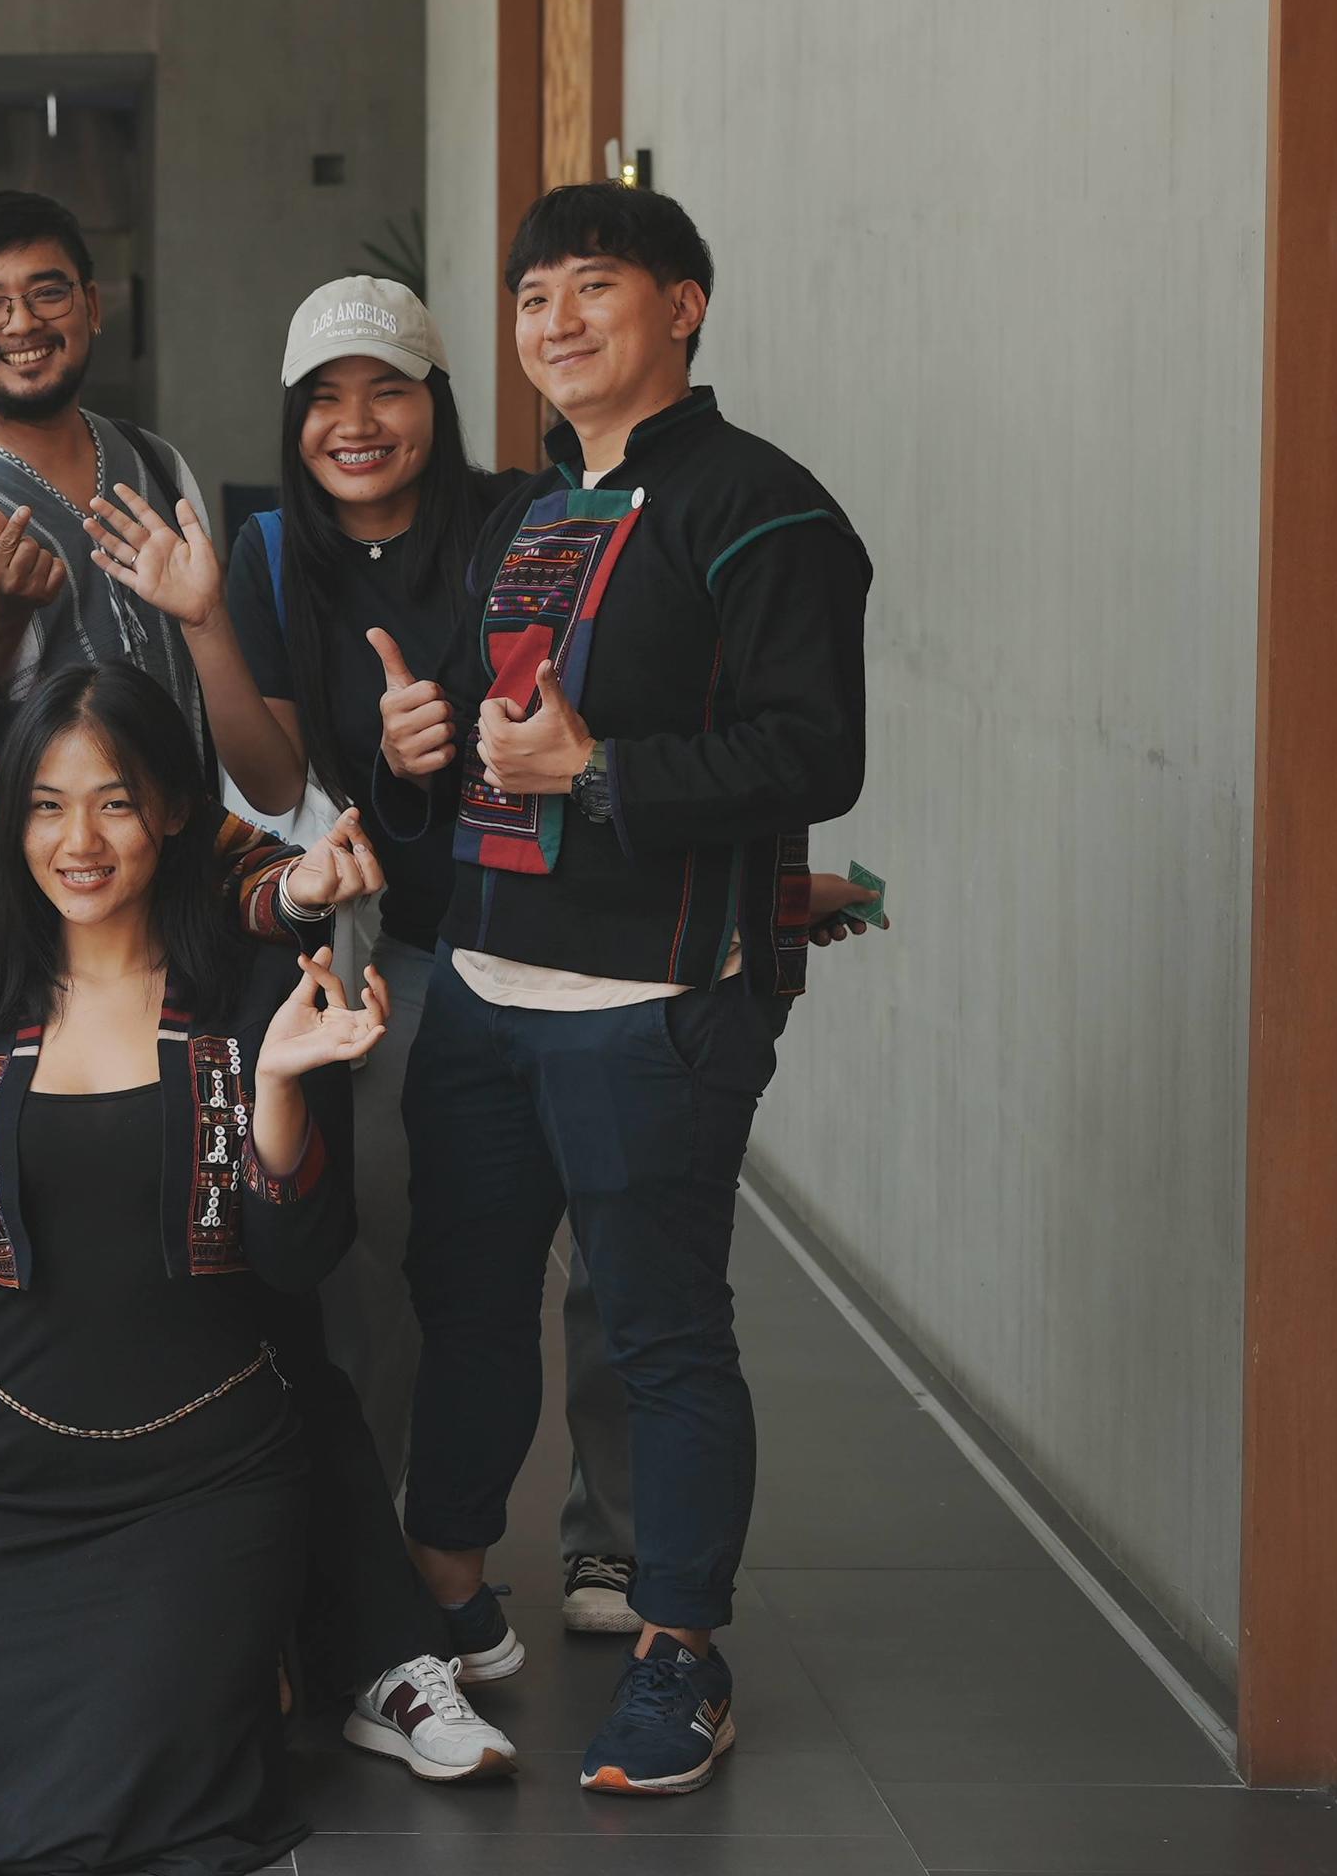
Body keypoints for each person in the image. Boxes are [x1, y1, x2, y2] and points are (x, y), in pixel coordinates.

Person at [87, 272, 653, 1650]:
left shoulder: (523, 517)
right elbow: (270, 769)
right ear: (292, 419)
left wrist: (459, 734)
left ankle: (613, 1540)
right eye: (325, 398)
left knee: (607, 1253)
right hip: (398, 940)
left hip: (571, 935)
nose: (356, 421)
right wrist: (207, 618)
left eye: (386, 388)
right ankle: (390, 1538)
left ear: (435, 399)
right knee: (403, 1246)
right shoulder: (273, 554)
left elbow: (588, 701)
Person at [0, 526, 402, 1686]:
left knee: (278, 1331)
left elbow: (218, 862)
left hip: (150, 1068)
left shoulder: (60, 745)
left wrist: (295, 888)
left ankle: (366, 1637)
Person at [398, 182, 872, 1796]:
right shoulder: (527, 515)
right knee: (459, 1312)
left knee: (663, 1337)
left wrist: (598, 771)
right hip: (475, 985)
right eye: (532, 301)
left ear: (682, 306)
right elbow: (495, 718)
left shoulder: (761, 510)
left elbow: (816, 753)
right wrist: (429, 739)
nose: (554, 324)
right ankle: (448, 1604)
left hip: (649, 999)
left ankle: (682, 1655)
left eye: (590, 288)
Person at [0, 665, 390, 1874]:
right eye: (47, 806)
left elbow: (299, 1256)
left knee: (142, 1782)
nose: (80, 840)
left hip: (202, 1465)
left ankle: (250, 1655)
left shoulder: (259, 993)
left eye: (114, 802)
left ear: (172, 810)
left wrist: (278, 1090)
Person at [0, 190, 214, 747]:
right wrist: (0, 618)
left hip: (187, 824)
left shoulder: (157, 464)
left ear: (93, 306)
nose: (22, 323)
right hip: (29, 832)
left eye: (49, 293)